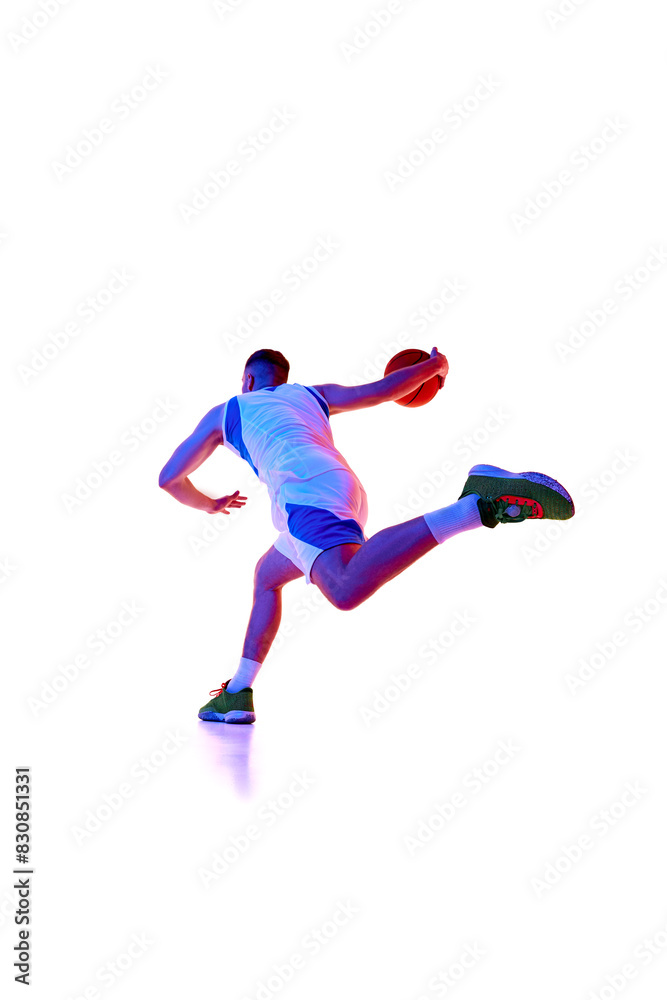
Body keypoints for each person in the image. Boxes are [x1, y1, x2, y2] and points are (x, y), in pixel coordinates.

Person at [159, 347, 574, 724]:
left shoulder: (228, 411)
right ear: (282, 379)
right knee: (267, 575)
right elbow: (382, 390)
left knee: (344, 589)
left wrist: (210, 504)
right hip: (343, 488)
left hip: (305, 493)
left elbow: (169, 479)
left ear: (247, 380)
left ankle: (474, 506)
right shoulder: (310, 395)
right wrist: (435, 365)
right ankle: (237, 691)